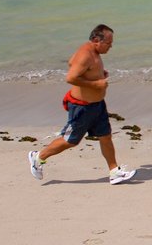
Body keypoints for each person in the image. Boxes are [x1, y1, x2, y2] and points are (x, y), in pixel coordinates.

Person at [28, 24, 136, 185]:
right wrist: (96, 85)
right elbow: (71, 77)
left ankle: (114, 172)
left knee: (105, 136)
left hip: (97, 105)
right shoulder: (85, 54)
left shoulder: (93, 52)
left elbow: (75, 66)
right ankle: (38, 157)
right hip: (82, 107)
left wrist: (98, 75)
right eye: (108, 43)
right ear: (95, 40)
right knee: (71, 140)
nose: (111, 46)